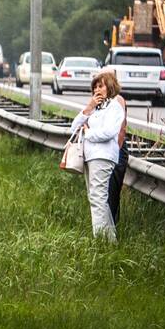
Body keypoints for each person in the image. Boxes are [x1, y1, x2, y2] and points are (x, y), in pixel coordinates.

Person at [70, 70, 123, 241]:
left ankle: (100, 241)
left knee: (98, 199)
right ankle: (110, 240)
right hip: (90, 156)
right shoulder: (95, 108)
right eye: (95, 87)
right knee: (97, 198)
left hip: (103, 156)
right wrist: (88, 108)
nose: (97, 90)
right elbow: (73, 128)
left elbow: (109, 132)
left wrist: (89, 133)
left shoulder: (114, 107)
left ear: (110, 87)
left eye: (101, 86)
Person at [108, 93, 129, 226]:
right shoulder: (97, 99)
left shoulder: (117, 99)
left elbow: (121, 130)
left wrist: (113, 152)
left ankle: (111, 229)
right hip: (104, 151)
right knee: (103, 195)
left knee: (112, 193)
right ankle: (105, 230)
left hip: (116, 149)